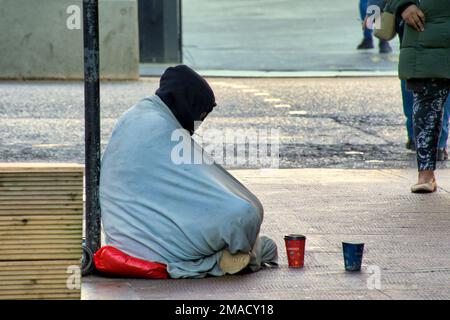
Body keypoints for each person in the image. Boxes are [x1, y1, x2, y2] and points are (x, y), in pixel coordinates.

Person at [99, 65, 277, 278]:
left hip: (123, 238)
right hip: (157, 243)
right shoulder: (159, 124)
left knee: (251, 229)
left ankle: (220, 260)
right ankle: (221, 260)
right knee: (245, 216)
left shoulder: (139, 115)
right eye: (200, 115)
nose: (198, 125)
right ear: (186, 102)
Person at [369, 0, 450, 159]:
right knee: (436, 73)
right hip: (413, 15)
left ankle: (418, 137)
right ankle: (435, 142)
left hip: (412, 14)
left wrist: (374, 14)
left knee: (417, 71)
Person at [386, 0, 450, 193]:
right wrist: (402, 4)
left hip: (424, 27)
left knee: (427, 104)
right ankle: (426, 174)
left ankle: (426, 174)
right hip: (425, 28)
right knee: (426, 103)